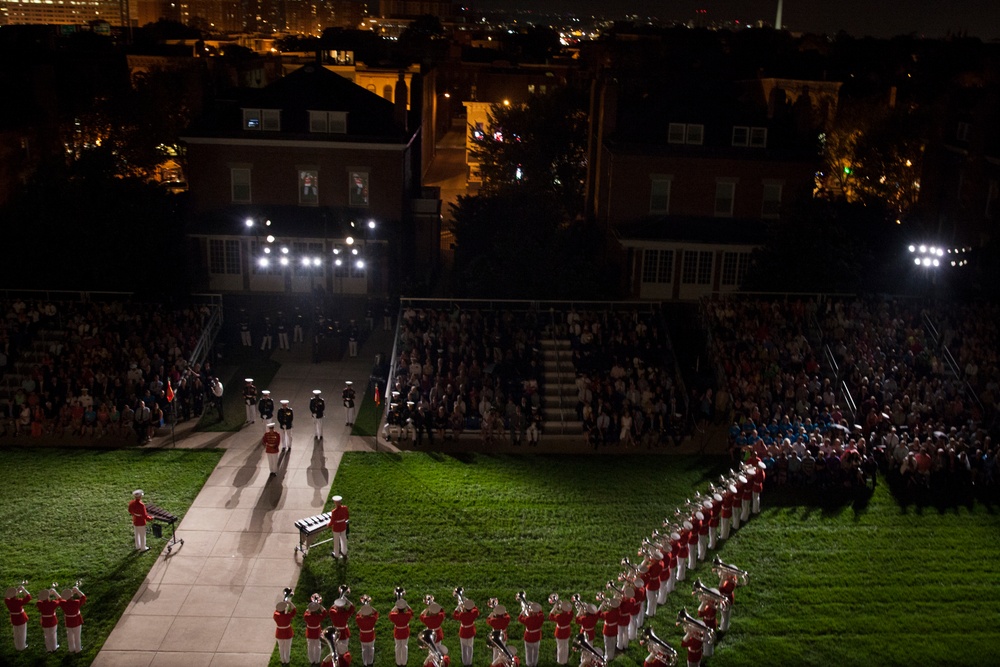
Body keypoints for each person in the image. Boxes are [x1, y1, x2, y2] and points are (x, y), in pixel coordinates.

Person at [453, 596, 479, 667]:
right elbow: (475, 609)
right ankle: (469, 662)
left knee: (464, 648)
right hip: (470, 631)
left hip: (463, 631)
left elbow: (455, 615)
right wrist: (468, 602)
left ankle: (465, 663)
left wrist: (458, 607)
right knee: (470, 647)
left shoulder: (462, 614)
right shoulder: (474, 613)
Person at [4, 583, 31, 651]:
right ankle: (22, 647)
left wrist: (15, 592)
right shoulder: (18, 601)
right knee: (22, 633)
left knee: (16, 633)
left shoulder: (7, 601)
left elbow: (7, 596)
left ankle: (17, 646)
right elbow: (28, 597)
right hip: (21, 618)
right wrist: (23, 590)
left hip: (14, 618)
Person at [518, 599, 544, 667]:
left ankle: (529, 664)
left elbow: (520, 618)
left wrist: (524, 610)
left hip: (528, 637)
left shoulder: (527, 619)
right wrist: (534, 607)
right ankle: (534, 664)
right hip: (537, 636)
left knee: (528, 652)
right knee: (536, 651)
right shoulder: (541, 617)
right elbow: (540, 612)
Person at [60, 583, 86, 653]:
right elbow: (83, 597)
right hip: (76, 621)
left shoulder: (62, 603)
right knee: (77, 636)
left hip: (68, 621)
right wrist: (77, 591)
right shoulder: (76, 602)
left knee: (70, 636)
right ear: (71, 596)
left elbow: (60, 599)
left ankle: (71, 649)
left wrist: (68, 594)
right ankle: (78, 649)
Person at [389, 595, 414, 667]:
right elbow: (411, 611)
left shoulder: (394, 616)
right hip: (405, 632)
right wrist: (405, 604)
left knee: (397, 646)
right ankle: (404, 662)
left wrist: (396, 605)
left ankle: (398, 662)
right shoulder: (407, 615)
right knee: (405, 647)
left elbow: (391, 613)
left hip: (397, 632)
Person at [304, 595, 329, 667]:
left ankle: (312, 661)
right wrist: (319, 605)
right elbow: (324, 612)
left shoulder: (307, 616)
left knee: (310, 647)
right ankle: (317, 661)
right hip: (317, 632)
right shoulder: (318, 617)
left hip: (310, 633)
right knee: (318, 647)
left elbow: (306, 612)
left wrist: (311, 606)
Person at [548, 597, 573, 665]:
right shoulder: (569, 615)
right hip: (566, 632)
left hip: (559, 632)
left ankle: (560, 661)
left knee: (560, 647)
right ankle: (565, 660)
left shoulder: (558, 616)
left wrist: (554, 607)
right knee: (566, 646)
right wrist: (566, 605)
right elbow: (571, 610)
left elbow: (550, 616)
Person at [330, 588, 355, 655]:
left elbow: (332, 607)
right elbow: (352, 607)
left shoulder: (333, 612)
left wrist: (339, 599)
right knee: (344, 651)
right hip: (344, 633)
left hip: (335, 632)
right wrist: (346, 600)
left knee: (335, 651)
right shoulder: (345, 613)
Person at [36, 587, 61, 652]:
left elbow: (40, 600)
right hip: (52, 620)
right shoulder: (52, 603)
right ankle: (54, 647)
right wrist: (54, 593)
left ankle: (48, 648)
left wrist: (45, 594)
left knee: (46, 635)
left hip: (45, 621)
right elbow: (60, 600)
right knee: (53, 634)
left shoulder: (39, 604)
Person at [356, 596, 379, 667]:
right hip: (371, 636)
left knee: (364, 650)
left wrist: (363, 608)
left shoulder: (359, 620)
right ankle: (370, 662)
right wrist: (369, 607)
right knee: (371, 649)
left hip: (363, 636)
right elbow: (376, 613)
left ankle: (365, 663)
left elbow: (357, 614)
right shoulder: (372, 619)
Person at [274, 598, 297, 666]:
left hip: (279, 633)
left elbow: (276, 611)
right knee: (287, 648)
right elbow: (294, 610)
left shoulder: (276, 616)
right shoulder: (288, 616)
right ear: (284, 610)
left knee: (281, 647)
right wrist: (289, 603)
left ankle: (282, 660)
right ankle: (287, 660)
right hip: (287, 633)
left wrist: (281, 604)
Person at [329, 495, 349, 560]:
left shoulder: (334, 512)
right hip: (343, 526)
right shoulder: (345, 508)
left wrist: (328, 525)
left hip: (336, 528)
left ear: (335, 502)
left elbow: (332, 522)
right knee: (343, 539)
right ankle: (344, 552)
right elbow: (347, 517)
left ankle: (336, 554)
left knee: (336, 541)